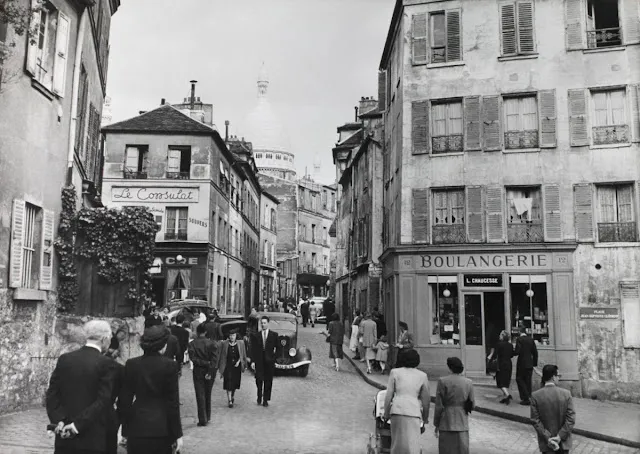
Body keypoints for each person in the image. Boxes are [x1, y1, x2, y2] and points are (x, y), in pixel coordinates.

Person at [46, 320, 117, 454]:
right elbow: (103, 400)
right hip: (92, 438)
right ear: (104, 339)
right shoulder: (107, 363)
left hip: (64, 436)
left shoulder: (65, 359)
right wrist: (76, 425)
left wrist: (58, 420)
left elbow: (52, 393)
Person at [119, 325, 183, 454]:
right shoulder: (170, 365)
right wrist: (177, 434)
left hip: (137, 426)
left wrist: (124, 430)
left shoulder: (132, 364)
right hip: (162, 427)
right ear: (163, 345)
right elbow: (173, 403)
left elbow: (124, 400)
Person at [383, 349, 430, 454]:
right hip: (413, 411)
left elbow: (388, 396)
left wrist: (386, 413)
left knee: (396, 444)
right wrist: (425, 418)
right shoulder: (422, 376)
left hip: (397, 410)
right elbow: (426, 401)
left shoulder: (395, 372)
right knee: (413, 445)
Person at [434, 357, 475, 454]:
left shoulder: (442, 381)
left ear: (450, 368)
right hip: (462, 420)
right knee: (462, 449)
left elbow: (439, 405)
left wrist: (436, 424)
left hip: (446, 420)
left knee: (446, 449)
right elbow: (472, 404)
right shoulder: (468, 382)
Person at [530, 365, 575, 454]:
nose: (559, 378)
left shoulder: (535, 396)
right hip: (563, 443)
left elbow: (535, 420)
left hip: (547, 444)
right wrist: (560, 436)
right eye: (558, 376)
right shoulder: (566, 394)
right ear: (553, 377)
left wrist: (548, 437)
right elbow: (571, 419)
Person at [187, 323, 220, 426]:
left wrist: (203, 363)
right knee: (208, 393)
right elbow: (214, 360)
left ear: (197, 332)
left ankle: (202, 418)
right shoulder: (212, 343)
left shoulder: (192, 344)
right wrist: (210, 370)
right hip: (209, 370)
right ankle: (208, 415)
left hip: (198, 371)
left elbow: (193, 358)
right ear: (206, 332)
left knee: (200, 394)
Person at [249, 315, 278, 407]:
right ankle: (259, 396)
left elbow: (278, 348)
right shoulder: (256, 335)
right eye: (261, 323)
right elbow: (253, 349)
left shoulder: (274, 335)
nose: (263, 325)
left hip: (269, 361)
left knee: (268, 381)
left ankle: (265, 399)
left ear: (268, 324)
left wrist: (274, 358)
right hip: (259, 361)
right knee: (259, 379)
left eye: (265, 323)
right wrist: (253, 361)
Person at [218, 328, 248, 408]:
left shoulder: (241, 343)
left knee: (234, 384)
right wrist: (220, 367)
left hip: (236, 367)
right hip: (228, 367)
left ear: (236, 336)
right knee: (228, 383)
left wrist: (240, 362)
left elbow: (243, 354)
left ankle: (232, 396)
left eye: (233, 335)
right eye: (230, 335)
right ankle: (230, 400)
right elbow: (221, 355)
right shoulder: (224, 343)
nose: (232, 337)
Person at [488, 330, 515, 404]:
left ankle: (508, 395)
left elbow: (495, 354)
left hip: (501, 364)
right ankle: (505, 398)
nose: (499, 336)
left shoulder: (499, 344)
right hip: (508, 364)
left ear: (503, 336)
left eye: (500, 335)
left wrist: (490, 359)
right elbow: (512, 355)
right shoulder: (510, 345)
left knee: (500, 382)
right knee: (506, 380)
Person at [515, 329, 539, 405]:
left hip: (521, 363)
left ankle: (526, 398)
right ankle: (528, 396)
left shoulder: (519, 339)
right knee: (528, 381)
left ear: (520, 332)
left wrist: (512, 353)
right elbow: (535, 353)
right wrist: (534, 364)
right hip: (530, 363)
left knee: (519, 379)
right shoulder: (531, 339)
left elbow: (517, 351)